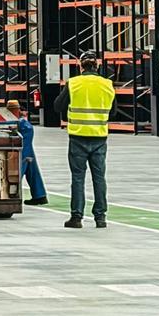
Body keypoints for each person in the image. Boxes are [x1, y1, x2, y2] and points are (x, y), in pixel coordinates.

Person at [56, 52, 116, 228]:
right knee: (99, 177)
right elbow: (113, 112)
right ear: (97, 66)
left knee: (78, 178)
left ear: (80, 66)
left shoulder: (73, 83)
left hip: (78, 137)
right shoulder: (107, 84)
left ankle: (76, 217)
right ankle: (101, 217)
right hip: (99, 137)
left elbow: (57, 106)